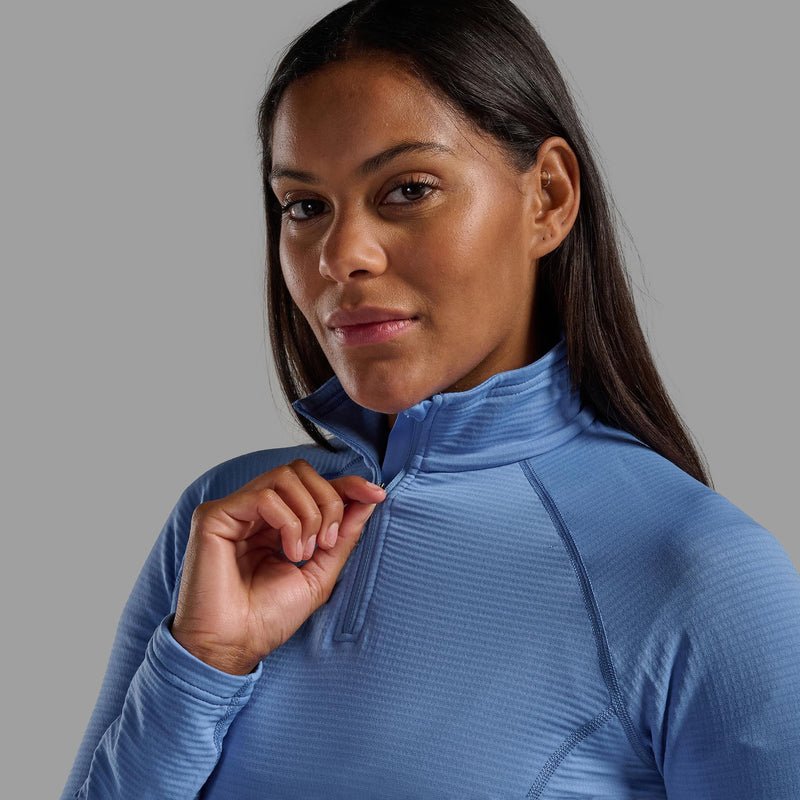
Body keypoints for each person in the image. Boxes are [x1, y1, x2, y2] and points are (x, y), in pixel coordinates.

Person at [61, 0, 800, 797]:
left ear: (548, 198)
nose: (342, 255)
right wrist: (204, 661)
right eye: (305, 207)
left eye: (408, 190)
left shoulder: (697, 573)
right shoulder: (227, 526)